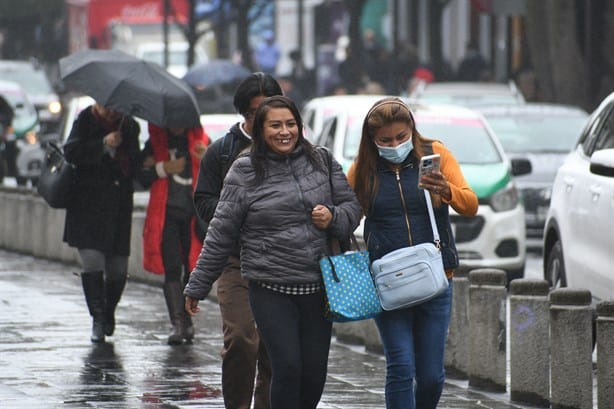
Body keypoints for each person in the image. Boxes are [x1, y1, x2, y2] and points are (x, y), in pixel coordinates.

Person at [185, 95, 362, 409]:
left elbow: (352, 209)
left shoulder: (321, 160)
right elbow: (220, 232)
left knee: (314, 373)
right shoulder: (243, 171)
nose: (285, 132)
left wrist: (333, 217)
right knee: (288, 367)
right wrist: (197, 285)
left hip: (318, 288)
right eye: (275, 125)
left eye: (291, 124)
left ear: (300, 126)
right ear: (259, 131)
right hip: (270, 287)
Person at [347, 97, 478, 409]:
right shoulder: (364, 169)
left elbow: (470, 205)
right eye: (385, 140)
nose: (394, 145)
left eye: (401, 137)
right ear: (372, 141)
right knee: (401, 366)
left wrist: (445, 190)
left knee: (431, 376)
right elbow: (346, 216)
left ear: (412, 130)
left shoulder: (436, 154)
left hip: (435, 277)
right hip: (388, 281)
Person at [191, 72, 283, 409]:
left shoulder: (295, 147)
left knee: (276, 347)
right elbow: (202, 200)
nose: (264, 119)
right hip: (235, 260)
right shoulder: (222, 152)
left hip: (281, 260)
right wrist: (237, 213)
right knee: (242, 338)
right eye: (256, 111)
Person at [63, 102, 141, 343]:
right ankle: (97, 319)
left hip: (118, 208)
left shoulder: (129, 125)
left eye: (113, 107)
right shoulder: (85, 119)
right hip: (87, 206)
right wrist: (103, 144)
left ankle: (108, 311)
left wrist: (127, 151)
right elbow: (71, 152)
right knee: (93, 263)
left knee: (118, 271)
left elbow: (135, 164)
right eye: (104, 106)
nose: (109, 111)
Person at [138, 123, 209, 345]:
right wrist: (163, 168)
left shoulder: (202, 141)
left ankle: (187, 320)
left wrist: (206, 158)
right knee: (171, 268)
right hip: (166, 216)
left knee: (192, 269)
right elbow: (140, 175)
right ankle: (178, 323)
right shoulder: (156, 143)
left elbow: (222, 173)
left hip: (194, 218)